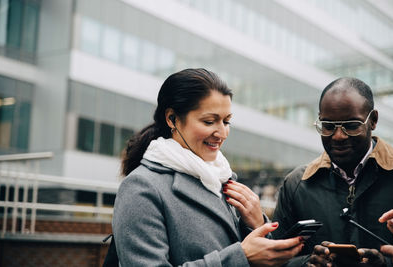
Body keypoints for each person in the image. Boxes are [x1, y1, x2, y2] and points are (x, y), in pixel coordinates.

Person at [113, 68, 304, 266]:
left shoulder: (222, 178)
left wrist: (255, 224)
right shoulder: (142, 187)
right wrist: (240, 258)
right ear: (172, 119)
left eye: (227, 121)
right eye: (209, 121)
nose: (222, 133)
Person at [271, 77, 393, 266]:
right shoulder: (296, 185)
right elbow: (273, 259)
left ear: (373, 120)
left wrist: (386, 263)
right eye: (328, 127)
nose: (338, 136)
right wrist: (307, 263)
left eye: (351, 125)